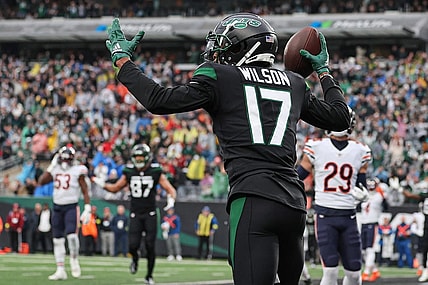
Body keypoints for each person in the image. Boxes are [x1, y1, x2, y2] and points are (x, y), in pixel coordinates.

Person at [105, 13, 351, 284]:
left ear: (243, 48)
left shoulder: (219, 76)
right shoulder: (294, 83)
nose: (218, 52)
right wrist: (324, 72)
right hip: (293, 205)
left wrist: (123, 61)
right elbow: (340, 118)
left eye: (225, 45)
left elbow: (158, 100)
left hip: (254, 199)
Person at [297, 120, 372, 285]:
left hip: (349, 216)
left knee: (354, 274)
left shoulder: (359, 150)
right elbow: (298, 176)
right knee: (330, 272)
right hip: (326, 215)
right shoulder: (317, 147)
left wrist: (364, 193)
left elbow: (361, 184)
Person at [92, 143, 177, 285]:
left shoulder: (155, 171)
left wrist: (171, 200)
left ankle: (149, 275)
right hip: (135, 213)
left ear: (147, 157)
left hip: (150, 213)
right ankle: (135, 259)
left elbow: (170, 189)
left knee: (150, 245)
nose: (138, 160)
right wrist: (103, 184)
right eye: (136, 158)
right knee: (132, 245)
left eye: (140, 157)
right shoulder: (129, 171)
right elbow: (115, 188)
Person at [38, 145, 92, 280]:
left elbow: (85, 189)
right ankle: (60, 269)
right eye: (63, 159)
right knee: (57, 240)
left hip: (71, 206)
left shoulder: (77, 170)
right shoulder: (55, 168)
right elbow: (41, 181)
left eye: (68, 160)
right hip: (57, 207)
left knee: (72, 237)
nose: (65, 163)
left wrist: (87, 207)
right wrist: (51, 166)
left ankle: (74, 258)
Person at [360, 178, 389, 282]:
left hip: (373, 223)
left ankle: (367, 272)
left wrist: (382, 193)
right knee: (363, 251)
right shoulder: (364, 194)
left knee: (370, 249)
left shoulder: (379, 196)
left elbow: (386, 206)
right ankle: (375, 270)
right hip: (364, 223)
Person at [401, 187, 428, 281]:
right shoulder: (424, 196)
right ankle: (424, 270)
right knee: (424, 250)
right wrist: (400, 189)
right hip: (426, 227)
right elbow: (409, 195)